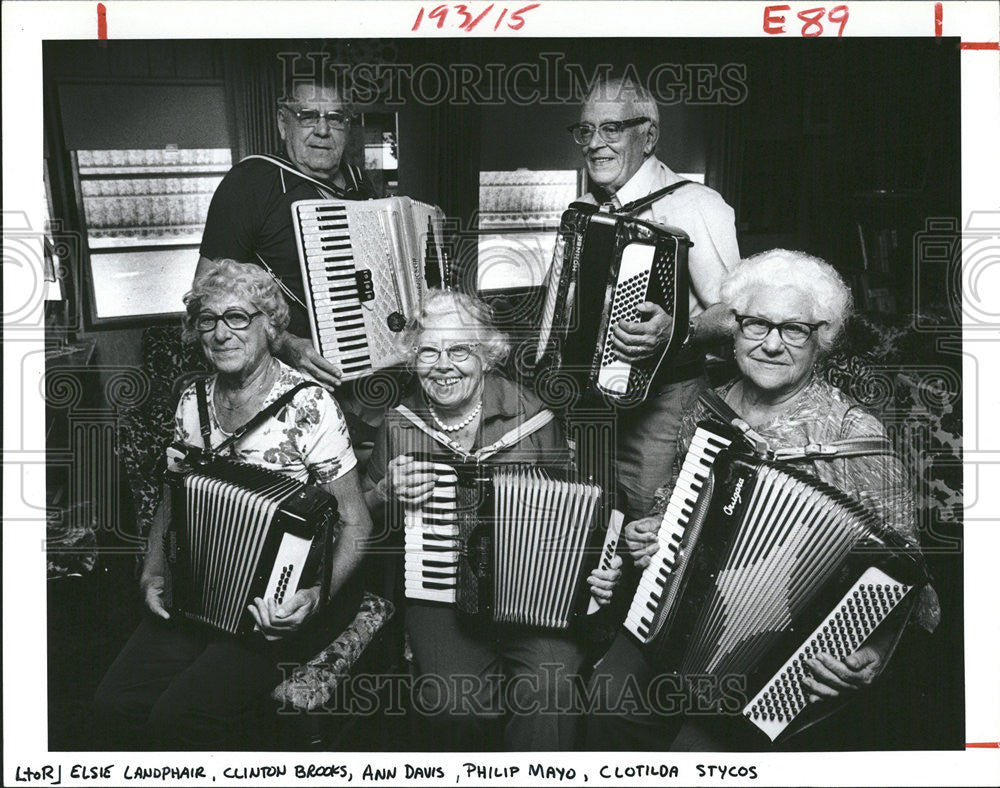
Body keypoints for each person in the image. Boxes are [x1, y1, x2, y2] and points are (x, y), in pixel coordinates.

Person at [583, 249, 940, 751]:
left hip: (784, 649)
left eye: (794, 329)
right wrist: (655, 533)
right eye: (756, 325)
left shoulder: (853, 434)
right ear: (734, 331)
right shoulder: (708, 407)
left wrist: (871, 653)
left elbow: (906, 573)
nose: (772, 344)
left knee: (698, 749)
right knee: (606, 697)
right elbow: (678, 501)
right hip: (678, 614)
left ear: (822, 338)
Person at [94, 259, 374, 750]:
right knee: (112, 704)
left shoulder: (310, 407)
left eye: (238, 317)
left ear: (270, 327)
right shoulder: (192, 400)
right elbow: (172, 495)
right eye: (208, 319)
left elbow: (356, 523)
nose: (221, 332)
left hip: (282, 602)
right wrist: (153, 570)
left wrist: (314, 597)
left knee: (180, 717)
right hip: (199, 585)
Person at [364, 289, 621, 751]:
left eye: (460, 350)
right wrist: (385, 493)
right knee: (450, 702)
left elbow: (581, 517)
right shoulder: (399, 423)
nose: (443, 365)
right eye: (428, 351)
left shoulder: (535, 419)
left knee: (552, 689)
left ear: (486, 355)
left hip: (536, 595)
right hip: (440, 592)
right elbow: (360, 518)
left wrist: (601, 567)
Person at [565, 76, 742, 522]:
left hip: (664, 407)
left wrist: (674, 332)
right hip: (592, 406)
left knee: (651, 527)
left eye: (612, 129)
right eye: (586, 130)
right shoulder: (587, 209)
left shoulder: (696, 204)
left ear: (649, 136)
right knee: (594, 524)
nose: (594, 143)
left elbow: (737, 313)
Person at [198, 77, 377, 388]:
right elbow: (206, 296)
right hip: (281, 378)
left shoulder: (359, 184)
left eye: (335, 118)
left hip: (366, 373)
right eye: (308, 116)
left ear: (347, 128)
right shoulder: (250, 183)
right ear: (283, 123)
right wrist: (287, 344)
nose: (323, 130)